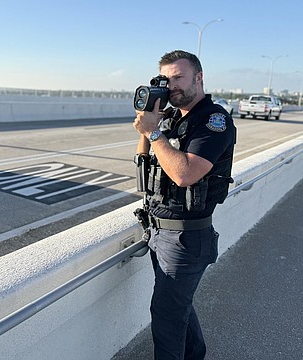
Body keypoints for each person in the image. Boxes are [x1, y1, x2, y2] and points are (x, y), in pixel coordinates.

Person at [132, 50, 236, 359]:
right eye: (167, 79)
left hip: (185, 239)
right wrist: (149, 122)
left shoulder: (214, 119)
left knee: (166, 317)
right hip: (160, 233)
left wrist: (153, 131)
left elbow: (184, 174)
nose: (172, 85)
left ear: (199, 77)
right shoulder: (174, 118)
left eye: (178, 77)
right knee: (178, 308)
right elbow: (142, 165)